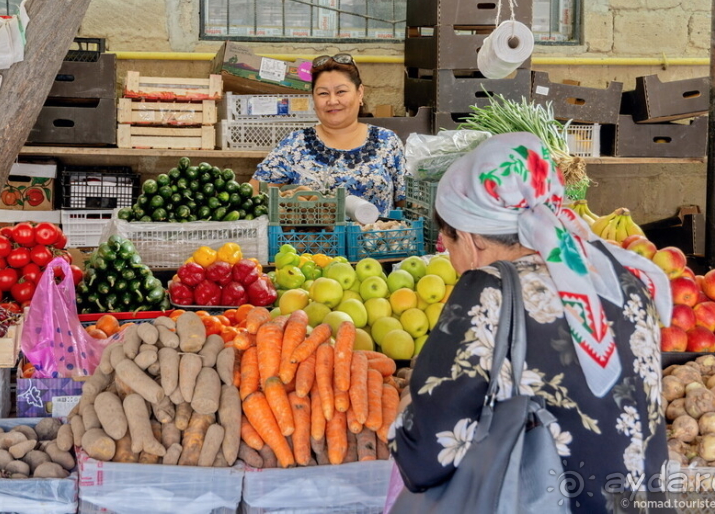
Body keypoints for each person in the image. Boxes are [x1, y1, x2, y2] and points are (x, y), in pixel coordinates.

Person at [388, 132, 673, 513]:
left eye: (447, 243)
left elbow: (424, 458)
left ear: (471, 238)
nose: (452, 259)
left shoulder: (488, 293)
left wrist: (409, 402)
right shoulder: (621, 275)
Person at [250, 53, 405, 215]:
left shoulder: (387, 141)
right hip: (313, 240)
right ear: (313, 98)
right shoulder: (294, 144)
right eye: (323, 93)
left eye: (341, 92)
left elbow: (405, 202)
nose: (332, 101)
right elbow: (254, 193)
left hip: (380, 238)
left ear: (360, 93)